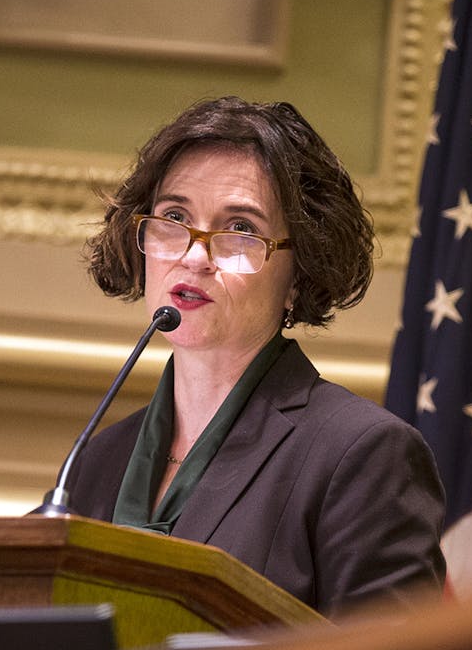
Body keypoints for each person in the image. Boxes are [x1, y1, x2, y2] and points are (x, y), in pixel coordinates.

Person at [66, 96, 446, 616]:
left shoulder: (361, 457)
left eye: (240, 229)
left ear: (299, 274)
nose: (193, 255)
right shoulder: (96, 460)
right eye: (174, 217)